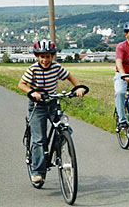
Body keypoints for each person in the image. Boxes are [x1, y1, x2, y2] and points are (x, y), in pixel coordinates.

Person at [18, 39, 85, 184]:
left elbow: (69, 76)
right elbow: (21, 84)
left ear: (52, 56)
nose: (45, 59)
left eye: (48, 56)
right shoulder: (33, 69)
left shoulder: (56, 67)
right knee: (39, 140)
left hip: (53, 102)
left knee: (65, 129)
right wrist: (32, 92)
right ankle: (37, 172)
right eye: (42, 56)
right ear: (37, 57)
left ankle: (57, 145)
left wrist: (78, 87)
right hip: (38, 105)